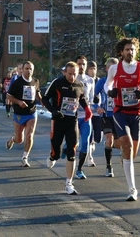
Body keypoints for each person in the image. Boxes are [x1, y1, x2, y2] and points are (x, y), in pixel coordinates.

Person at [104, 38, 140, 201]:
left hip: (137, 112)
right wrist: (110, 91)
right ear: (121, 52)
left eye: (132, 49)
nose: (130, 52)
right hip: (120, 111)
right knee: (126, 144)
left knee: (132, 153)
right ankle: (132, 189)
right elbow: (107, 84)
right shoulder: (115, 68)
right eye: (127, 49)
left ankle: (123, 154)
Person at [42, 61, 93, 195]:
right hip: (58, 121)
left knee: (72, 151)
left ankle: (69, 183)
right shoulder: (57, 83)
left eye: (74, 74)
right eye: (69, 74)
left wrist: (87, 109)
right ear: (65, 72)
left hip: (72, 121)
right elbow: (45, 98)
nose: (71, 77)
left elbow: (81, 98)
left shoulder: (79, 85)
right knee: (57, 152)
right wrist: (53, 110)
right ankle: (52, 156)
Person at [5, 61, 42, 167]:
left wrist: (42, 100)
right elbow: (9, 96)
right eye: (26, 68)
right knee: (19, 140)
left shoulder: (35, 81)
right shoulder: (17, 82)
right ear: (22, 70)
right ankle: (13, 139)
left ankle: (25, 157)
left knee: (29, 135)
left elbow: (38, 93)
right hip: (19, 113)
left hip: (32, 113)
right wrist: (19, 102)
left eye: (31, 69)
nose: (29, 71)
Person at [95, 57, 119, 177]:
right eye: (111, 68)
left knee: (119, 143)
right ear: (107, 69)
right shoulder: (102, 82)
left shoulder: (121, 81)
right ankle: (109, 167)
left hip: (119, 115)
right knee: (109, 139)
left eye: (116, 67)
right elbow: (93, 97)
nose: (114, 70)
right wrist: (97, 107)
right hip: (106, 115)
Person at [74, 55, 95, 179]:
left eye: (83, 64)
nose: (81, 66)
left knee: (86, 142)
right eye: (79, 64)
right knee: (73, 143)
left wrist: (93, 103)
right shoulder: (72, 78)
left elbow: (91, 98)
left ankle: (80, 169)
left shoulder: (90, 80)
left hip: (86, 116)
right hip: (73, 116)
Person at [86, 60, 101, 167]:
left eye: (94, 68)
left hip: (99, 113)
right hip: (89, 112)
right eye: (91, 68)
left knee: (97, 138)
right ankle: (89, 157)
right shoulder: (86, 81)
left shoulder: (100, 81)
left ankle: (91, 146)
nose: (93, 71)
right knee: (89, 136)